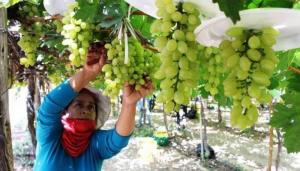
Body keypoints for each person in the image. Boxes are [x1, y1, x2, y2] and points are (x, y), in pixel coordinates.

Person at [33, 43, 154, 171]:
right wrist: (86, 74)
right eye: (78, 105)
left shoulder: (94, 143)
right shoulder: (50, 138)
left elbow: (118, 140)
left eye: (91, 107)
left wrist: (129, 104)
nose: (86, 110)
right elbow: (48, 109)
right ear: (64, 111)